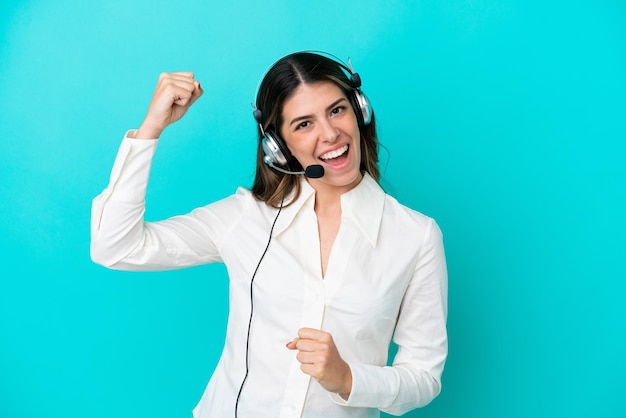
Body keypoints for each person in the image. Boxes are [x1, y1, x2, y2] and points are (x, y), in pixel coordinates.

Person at [90, 51, 448, 418]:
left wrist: (347, 379)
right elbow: (115, 247)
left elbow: (423, 377)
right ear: (278, 147)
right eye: (304, 124)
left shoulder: (416, 237)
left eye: (337, 110)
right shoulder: (244, 218)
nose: (330, 134)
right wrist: (151, 128)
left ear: (360, 111)